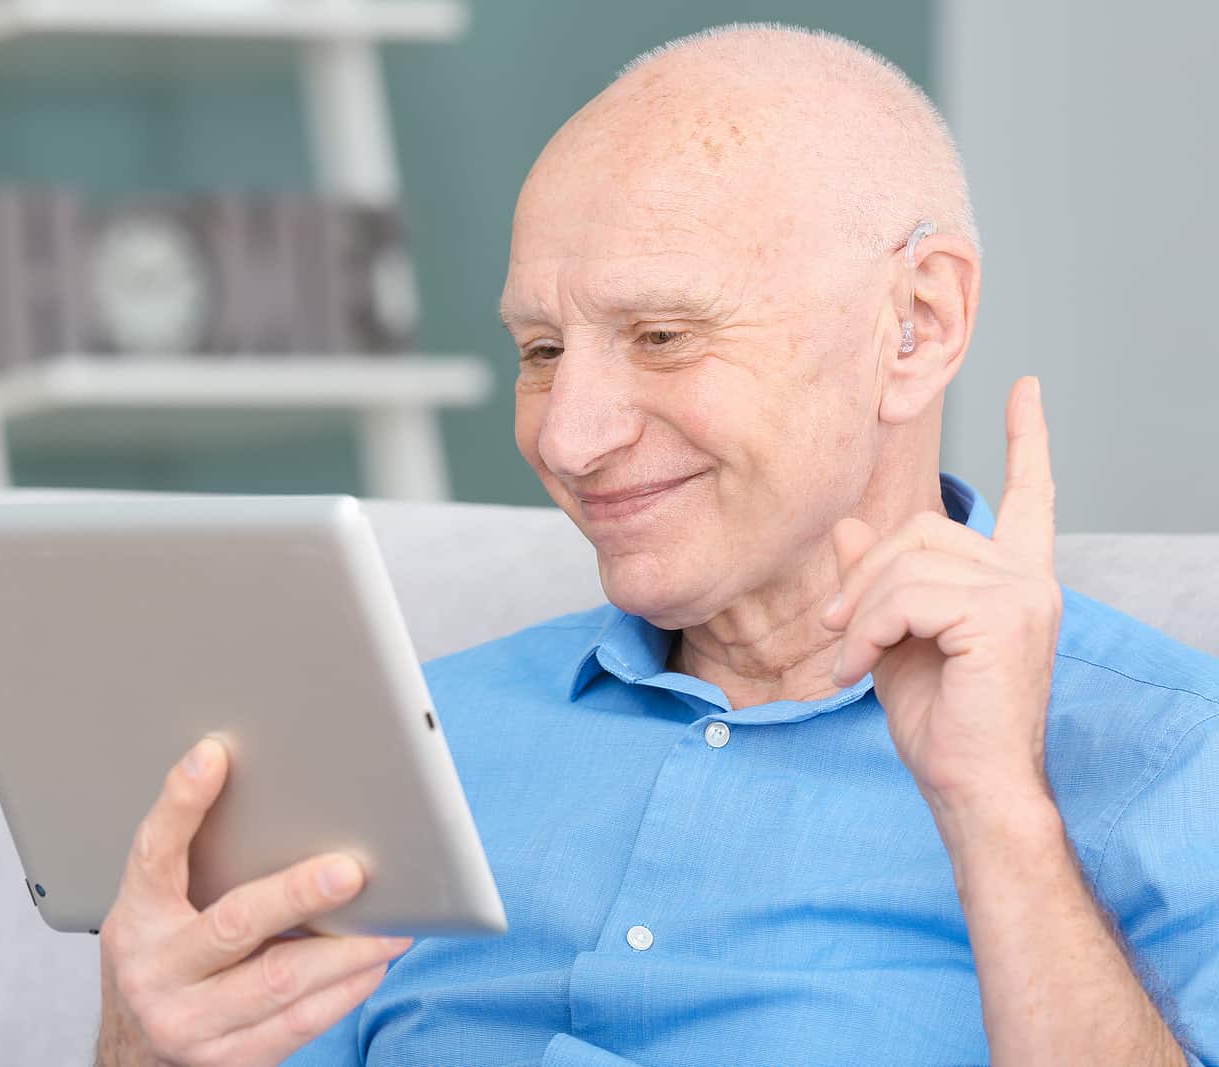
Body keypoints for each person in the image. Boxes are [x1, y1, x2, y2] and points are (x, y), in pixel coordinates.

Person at [94, 23, 1217, 1067]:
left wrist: (996, 811)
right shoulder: (403, 738)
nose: (569, 439)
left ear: (915, 324)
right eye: (540, 349)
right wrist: (142, 1039)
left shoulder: (1168, 756)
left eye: (663, 335)